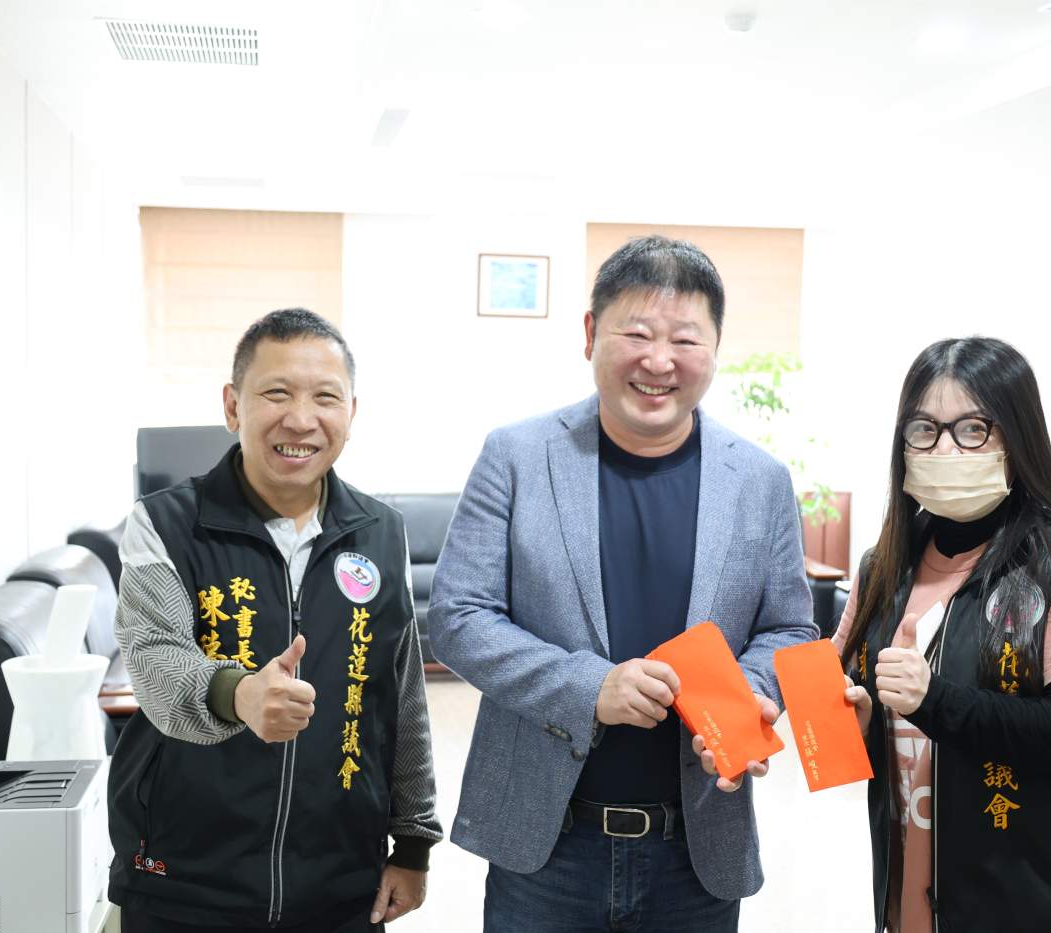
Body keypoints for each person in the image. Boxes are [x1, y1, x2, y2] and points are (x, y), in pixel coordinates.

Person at [428, 235, 816, 932]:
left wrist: (746, 697)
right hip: (548, 846)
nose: (659, 361)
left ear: (715, 349)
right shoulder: (517, 456)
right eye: (636, 334)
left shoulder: (759, 480)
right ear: (590, 334)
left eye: (685, 340)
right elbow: (459, 618)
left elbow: (788, 627)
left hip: (696, 845)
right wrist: (589, 687)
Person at [108, 308, 442, 933]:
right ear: (233, 406)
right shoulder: (165, 523)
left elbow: (402, 700)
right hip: (185, 881)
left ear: (351, 414)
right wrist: (238, 693)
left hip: (341, 881)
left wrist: (414, 843)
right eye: (277, 393)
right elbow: (155, 659)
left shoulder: (380, 532)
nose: (301, 419)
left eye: (325, 398)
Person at [834, 336, 1051, 933]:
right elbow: (856, 704)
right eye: (924, 430)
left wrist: (934, 700)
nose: (945, 448)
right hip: (915, 877)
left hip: (1037, 897)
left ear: (1016, 437)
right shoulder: (884, 567)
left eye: (972, 429)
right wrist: (856, 720)